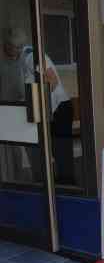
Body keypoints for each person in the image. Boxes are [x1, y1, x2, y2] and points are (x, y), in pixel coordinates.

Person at [2, 27, 74, 184]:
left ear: (13, 47)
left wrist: (36, 101)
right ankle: (58, 185)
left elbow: (52, 81)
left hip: (59, 109)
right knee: (53, 152)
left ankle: (68, 188)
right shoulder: (23, 59)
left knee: (62, 154)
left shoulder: (31, 56)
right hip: (51, 109)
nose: (5, 50)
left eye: (7, 47)